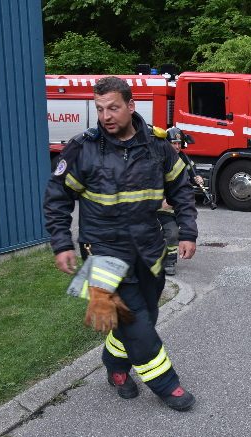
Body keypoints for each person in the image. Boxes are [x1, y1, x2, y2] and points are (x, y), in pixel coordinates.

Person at [44, 76, 198, 411]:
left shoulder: (157, 147)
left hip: (148, 251)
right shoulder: (82, 148)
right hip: (101, 254)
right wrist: (61, 242)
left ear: (131, 106)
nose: (106, 116)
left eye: (113, 107)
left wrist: (187, 231)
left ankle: (115, 368)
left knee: (144, 316)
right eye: (100, 109)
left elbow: (182, 191)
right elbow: (57, 198)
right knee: (136, 324)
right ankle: (167, 385)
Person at [159, 127, 205, 276]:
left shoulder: (184, 158)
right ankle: (162, 260)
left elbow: (191, 173)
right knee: (164, 233)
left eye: (179, 143)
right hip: (158, 206)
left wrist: (197, 178)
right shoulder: (160, 158)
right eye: (174, 143)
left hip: (174, 207)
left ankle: (169, 261)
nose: (177, 146)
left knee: (172, 233)